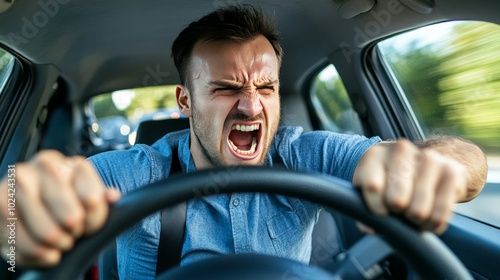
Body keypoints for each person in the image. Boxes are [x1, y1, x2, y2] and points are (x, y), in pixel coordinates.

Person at [0, 4, 488, 279]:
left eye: (266, 88)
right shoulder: (140, 167)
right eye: (227, 88)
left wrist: (434, 168)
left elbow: (467, 166)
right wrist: (17, 212)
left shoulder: (303, 152)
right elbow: (28, 204)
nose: (252, 107)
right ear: (185, 101)